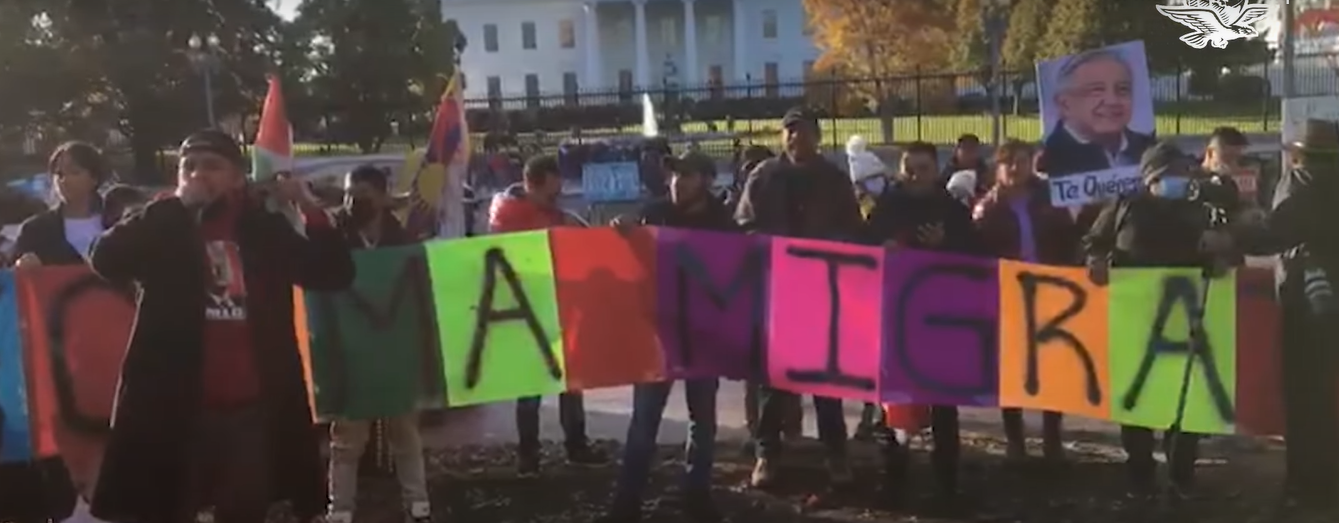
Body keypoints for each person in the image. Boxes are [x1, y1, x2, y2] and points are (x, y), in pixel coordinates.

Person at [86, 130, 355, 523]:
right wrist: (178, 206)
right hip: (173, 407)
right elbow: (106, 259)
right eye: (188, 167)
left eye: (212, 166)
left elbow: (333, 273)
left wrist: (309, 208)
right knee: (167, 508)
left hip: (250, 409)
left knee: (245, 507)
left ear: (237, 178)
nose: (198, 175)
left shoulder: (261, 228)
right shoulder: (163, 221)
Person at [1082, 140, 1236, 494]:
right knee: (1136, 400)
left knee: (1186, 402)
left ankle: (1181, 474)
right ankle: (1140, 473)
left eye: (1183, 172)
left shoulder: (1200, 210)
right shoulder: (1125, 206)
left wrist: (1221, 253)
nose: (1180, 179)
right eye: (1171, 174)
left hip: (1186, 325)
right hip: (1136, 322)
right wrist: (1095, 261)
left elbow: (1229, 255)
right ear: (1150, 177)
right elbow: (1093, 241)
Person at [735, 106, 864, 489]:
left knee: (827, 383)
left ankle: (836, 455)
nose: (796, 137)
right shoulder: (763, 176)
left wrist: (832, 249)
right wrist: (767, 246)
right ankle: (767, 454)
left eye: (803, 130)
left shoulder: (834, 180)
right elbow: (743, 224)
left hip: (823, 293)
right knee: (772, 383)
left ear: (818, 137)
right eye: (789, 130)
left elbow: (854, 230)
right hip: (776, 293)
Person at [596, 152, 729, 523]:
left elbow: (736, 270)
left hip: (703, 335)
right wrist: (623, 232)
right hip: (658, 334)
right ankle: (626, 503)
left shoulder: (722, 222)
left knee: (703, 421)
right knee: (644, 421)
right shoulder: (653, 212)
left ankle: (697, 497)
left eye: (687, 175)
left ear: (706, 180)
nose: (677, 181)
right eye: (674, 174)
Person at [0, 142, 115, 523]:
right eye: (58, 173)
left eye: (74, 171)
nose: (63, 180)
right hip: (59, 353)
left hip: (113, 347)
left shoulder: (120, 223)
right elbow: (16, 287)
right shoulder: (37, 230)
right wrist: (24, 268)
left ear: (94, 177)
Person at [1228, 119, 1339, 510]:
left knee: (1304, 396)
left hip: (1306, 300)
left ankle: (1306, 485)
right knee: (1326, 395)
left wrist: (1238, 228)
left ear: (1298, 155)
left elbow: (1274, 235)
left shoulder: (1300, 182)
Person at [864, 141, 979, 506]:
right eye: (909, 169)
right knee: (894, 404)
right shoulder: (887, 206)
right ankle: (893, 480)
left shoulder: (951, 210)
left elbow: (975, 257)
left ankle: (947, 485)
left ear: (936, 169)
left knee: (943, 407)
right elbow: (863, 247)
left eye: (923, 169)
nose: (915, 176)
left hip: (940, 322)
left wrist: (945, 245)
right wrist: (882, 248)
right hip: (896, 320)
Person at [488, 154, 605, 476]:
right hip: (529, 313)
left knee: (570, 382)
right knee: (531, 388)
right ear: (531, 185)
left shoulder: (547, 214)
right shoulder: (512, 218)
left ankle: (568, 446)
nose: (557, 197)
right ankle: (533, 452)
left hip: (559, 308)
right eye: (551, 193)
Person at [327, 165, 430, 523]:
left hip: (394, 353)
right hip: (350, 355)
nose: (354, 203)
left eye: (363, 196)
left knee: (406, 434)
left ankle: (418, 505)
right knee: (346, 441)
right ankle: (340, 509)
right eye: (349, 195)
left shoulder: (403, 242)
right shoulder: (333, 238)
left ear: (384, 198)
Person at [972, 140, 1079, 463]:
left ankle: (1052, 439)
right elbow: (977, 253)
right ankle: (1015, 441)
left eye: (1021, 161)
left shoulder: (1050, 198)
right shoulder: (988, 209)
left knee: (1052, 367)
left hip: (1050, 291)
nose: (1015, 168)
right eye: (1008, 163)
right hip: (1009, 296)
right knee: (1012, 369)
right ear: (998, 168)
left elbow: (1070, 237)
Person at [1043, 49, 1156, 177]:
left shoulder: (1149, 149)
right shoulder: (1049, 158)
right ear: (1065, 104)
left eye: (1123, 89)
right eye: (1097, 90)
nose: (1112, 101)